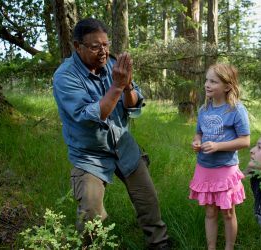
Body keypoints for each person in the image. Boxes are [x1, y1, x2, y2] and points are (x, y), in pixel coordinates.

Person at [53, 18, 169, 250]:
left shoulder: (112, 63)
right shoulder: (65, 77)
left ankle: (160, 245)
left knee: (148, 202)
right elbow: (93, 116)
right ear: (78, 46)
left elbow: (132, 105)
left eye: (106, 45)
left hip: (123, 144)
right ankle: (86, 247)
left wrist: (126, 86)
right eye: (95, 46)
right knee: (92, 215)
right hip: (89, 154)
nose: (103, 51)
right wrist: (117, 86)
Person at [189, 64, 250, 250]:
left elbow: (245, 141)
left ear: (227, 86)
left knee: (228, 212)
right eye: (207, 80)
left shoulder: (236, 110)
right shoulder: (203, 110)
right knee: (210, 211)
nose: (207, 84)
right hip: (205, 168)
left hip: (225, 169)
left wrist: (218, 146)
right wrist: (197, 142)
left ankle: (229, 247)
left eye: (213, 81)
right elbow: (198, 133)